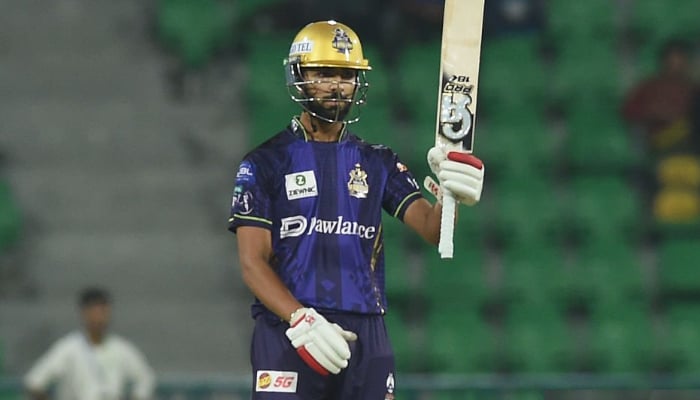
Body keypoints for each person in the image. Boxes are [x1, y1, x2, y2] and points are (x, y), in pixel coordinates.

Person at [228, 20, 484, 399]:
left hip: (366, 331)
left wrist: (451, 191)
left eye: (346, 75)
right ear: (298, 76)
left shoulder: (377, 161)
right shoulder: (265, 162)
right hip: (290, 330)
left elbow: (433, 230)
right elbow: (252, 263)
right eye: (323, 74)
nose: (336, 85)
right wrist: (300, 317)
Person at [24, 287, 156, 400]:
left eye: (103, 312)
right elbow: (34, 381)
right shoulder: (68, 348)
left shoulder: (121, 348)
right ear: (84, 313)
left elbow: (146, 378)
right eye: (94, 312)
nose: (99, 318)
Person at [621, 38, 697, 156]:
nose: (676, 65)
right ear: (664, 61)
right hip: (660, 140)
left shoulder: (692, 88)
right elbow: (629, 110)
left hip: (689, 139)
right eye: (672, 60)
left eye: (680, 60)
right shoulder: (651, 86)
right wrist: (655, 114)